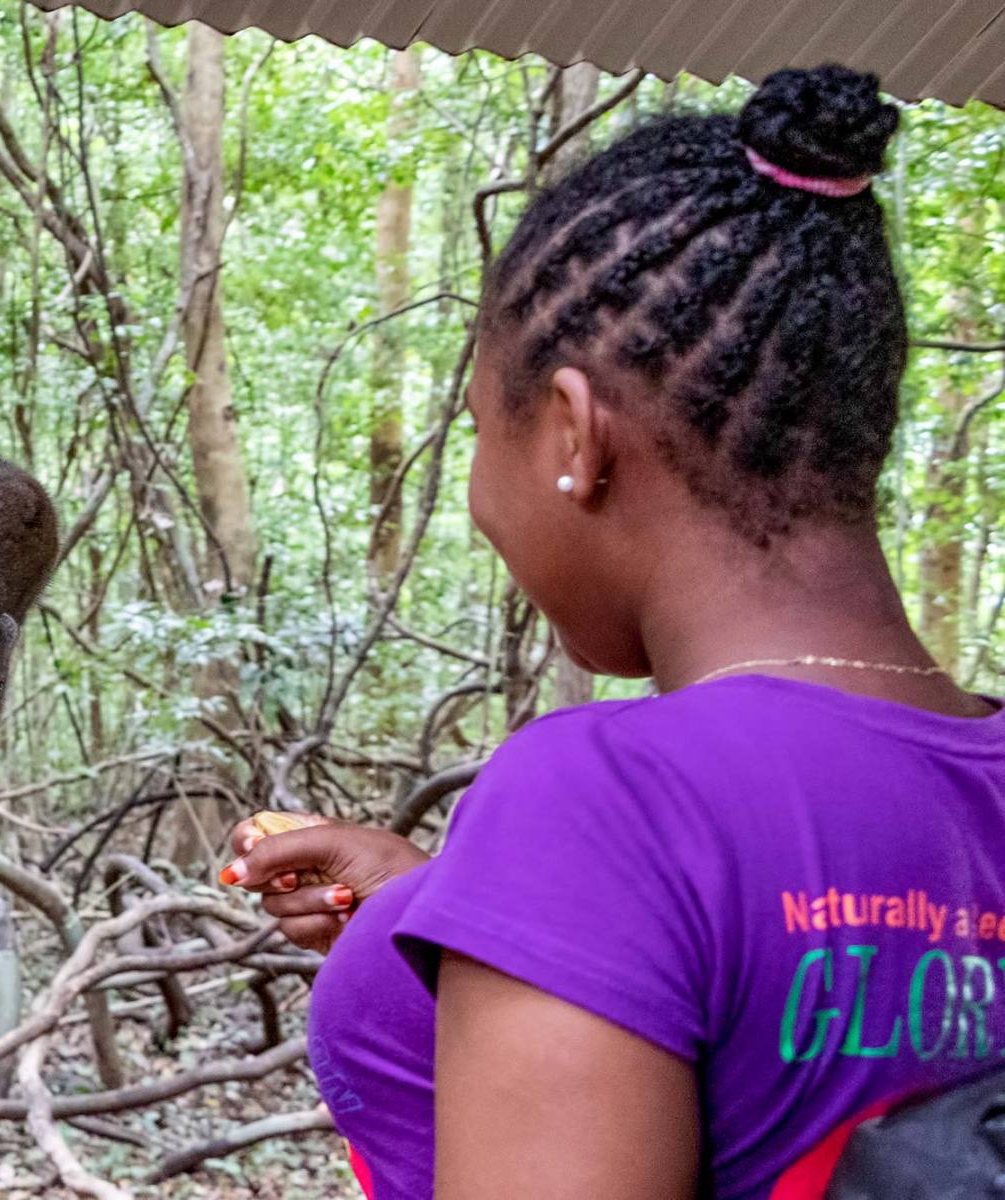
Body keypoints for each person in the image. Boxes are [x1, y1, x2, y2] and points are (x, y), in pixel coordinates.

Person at [221, 64, 1005, 1200]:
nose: (479, 496)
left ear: (574, 435)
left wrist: (550, 867)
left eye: (483, 428)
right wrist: (453, 904)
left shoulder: (602, 799)